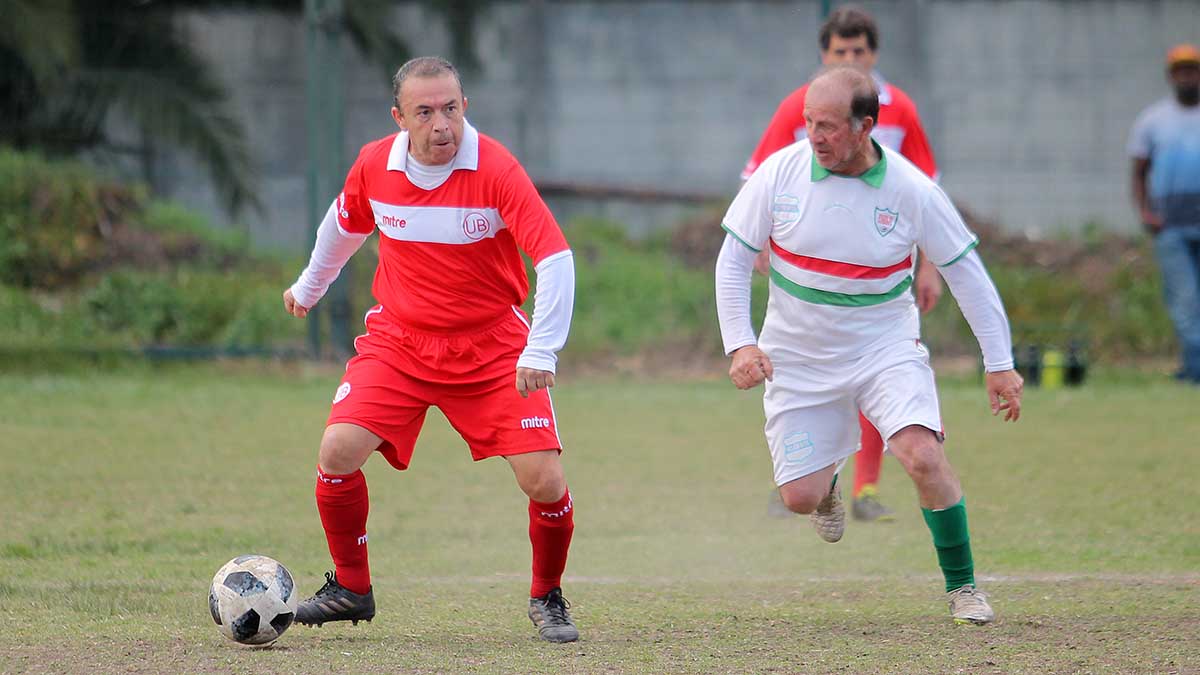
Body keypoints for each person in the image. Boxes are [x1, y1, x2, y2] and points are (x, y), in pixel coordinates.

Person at [282, 56, 580, 643]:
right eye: (425, 112)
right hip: (401, 340)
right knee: (338, 450)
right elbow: (344, 225)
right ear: (400, 118)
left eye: (451, 108)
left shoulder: (496, 169)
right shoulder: (375, 164)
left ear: (464, 107)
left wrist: (540, 349)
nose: (442, 124)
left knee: (543, 480)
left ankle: (547, 594)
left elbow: (555, 256)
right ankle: (351, 588)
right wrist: (309, 286)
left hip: (493, 346)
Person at [715, 67, 1023, 624]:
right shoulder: (779, 175)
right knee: (799, 499)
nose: (814, 136)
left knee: (923, 456)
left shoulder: (912, 191)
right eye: (809, 123)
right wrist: (740, 343)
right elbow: (734, 259)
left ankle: (964, 587)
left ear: (866, 127)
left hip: (885, 348)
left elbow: (967, 274)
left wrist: (999, 364)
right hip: (799, 356)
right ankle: (828, 481)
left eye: (828, 126)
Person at [744, 5, 944, 522]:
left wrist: (929, 266)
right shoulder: (802, 107)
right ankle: (823, 475)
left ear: (874, 55)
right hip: (809, 275)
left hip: (881, 274)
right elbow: (760, 177)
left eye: (859, 51)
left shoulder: (901, 111)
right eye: (840, 52)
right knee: (822, 379)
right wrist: (760, 243)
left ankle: (868, 487)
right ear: (824, 55)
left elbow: (927, 197)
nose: (850, 59)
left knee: (880, 373)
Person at [1128, 44, 1200, 384]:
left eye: (1193, 70)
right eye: (1181, 71)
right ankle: (1195, 369)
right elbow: (1139, 171)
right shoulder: (1154, 120)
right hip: (1171, 225)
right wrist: (1146, 212)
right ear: (1172, 77)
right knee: (1185, 303)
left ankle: (1193, 368)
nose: (1188, 77)